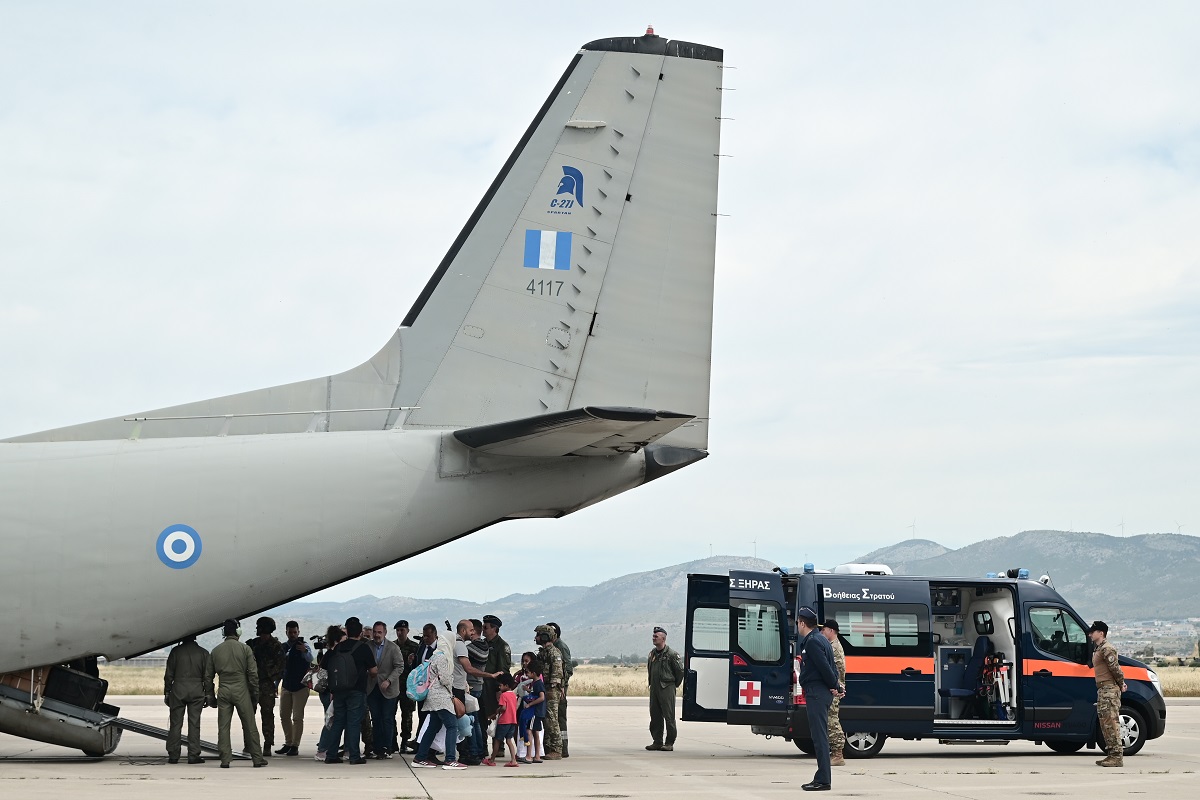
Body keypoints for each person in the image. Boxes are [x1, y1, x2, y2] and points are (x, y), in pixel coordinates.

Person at [207, 618, 267, 768]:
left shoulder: (216, 651)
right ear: (238, 631)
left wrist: (210, 696)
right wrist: (254, 695)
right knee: (249, 725)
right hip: (241, 689)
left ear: (224, 632)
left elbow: (208, 677)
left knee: (223, 726)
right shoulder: (245, 649)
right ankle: (257, 758)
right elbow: (253, 675)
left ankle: (225, 759)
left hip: (224, 689)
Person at [797, 607, 843, 791]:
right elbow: (831, 667)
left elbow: (825, 668)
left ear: (802, 623)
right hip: (820, 692)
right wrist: (835, 685)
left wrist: (836, 686)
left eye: (798, 623)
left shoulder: (813, 642)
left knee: (819, 738)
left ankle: (823, 780)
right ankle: (821, 777)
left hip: (817, 692)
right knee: (820, 737)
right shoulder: (821, 639)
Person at [324, 617, 378, 765]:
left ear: (346, 631)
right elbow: (373, 670)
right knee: (354, 723)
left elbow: (326, 665)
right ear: (360, 632)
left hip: (339, 690)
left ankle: (331, 754)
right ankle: (354, 756)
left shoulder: (338, 648)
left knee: (338, 722)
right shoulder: (363, 647)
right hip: (357, 690)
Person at [413, 630, 467, 770]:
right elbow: (445, 679)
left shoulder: (434, 655)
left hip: (432, 697)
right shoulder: (443, 657)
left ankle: (420, 757)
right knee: (452, 725)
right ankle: (450, 759)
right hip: (441, 697)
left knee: (433, 727)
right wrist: (452, 687)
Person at [163, 634, 214, 764]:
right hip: (197, 689)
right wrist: (208, 693)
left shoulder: (175, 652)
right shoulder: (203, 653)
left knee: (175, 724)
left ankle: (173, 755)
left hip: (178, 689)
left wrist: (167, 692)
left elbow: (169, 674)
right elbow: (208, 677)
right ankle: (193, 754)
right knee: (194, 724)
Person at [1089, 620, 1126, 767]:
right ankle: (1111, 754)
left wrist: (1121, 683)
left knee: (1111, 722)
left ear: (1101, 633)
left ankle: (1116, 756)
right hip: (1103, 689)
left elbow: (1115, 668)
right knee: (1105, 723)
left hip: (1110, 690)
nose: (1091, 634)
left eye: (1094, 631)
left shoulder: (1107, 649)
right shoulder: (1099, 649)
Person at [366, 620, 404, 759]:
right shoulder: (367, 646)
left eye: (379, 632)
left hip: (388, 689)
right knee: (376, 719)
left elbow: (399, 666)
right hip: (372, 688)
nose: (376, 635)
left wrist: (389, 680)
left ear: (385, 633)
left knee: (387, 718)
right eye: (375, 632)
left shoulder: (393, 648)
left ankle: (388, 747)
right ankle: (377, 748)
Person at [248, 616, 285, 756]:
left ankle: (268, 744)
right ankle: (249, 744)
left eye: (259, 627)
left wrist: (267, 675)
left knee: (267, 716)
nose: (258, 630)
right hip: (252, 684)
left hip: (267, 685)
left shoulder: (276, 646)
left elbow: (280, 667)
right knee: (249, 715)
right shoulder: (252, 644)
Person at [645, 626, 684, 752]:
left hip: (667, 688)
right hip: (655, 688)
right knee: (655, 715)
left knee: (669, 716)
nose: (653, 638)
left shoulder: (672, 654)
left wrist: (673, 685)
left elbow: (680, 672)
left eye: (656, 636)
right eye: (653, 636)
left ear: (663, 638)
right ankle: (657, 741)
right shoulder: (652, 654)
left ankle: (669, 742)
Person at [276, 620, 312, 756]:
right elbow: (280, 667)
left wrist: (304, 651)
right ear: (286, 632)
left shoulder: (304, 646)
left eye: (295, 632)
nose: (292, 635)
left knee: (297, 717)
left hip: (300, 687)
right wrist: (276, 684)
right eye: (290, 632)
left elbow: (310, 658)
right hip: (286, 685)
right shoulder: (283, 647)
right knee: (284, 715)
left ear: (298, 632)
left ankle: (295, 745)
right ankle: (288, 742)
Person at [480, 614, 511, 757]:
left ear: (494, 629)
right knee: (483, 716)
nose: (483, 629)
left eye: (486, 627)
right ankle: (483, 747)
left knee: (495, 716)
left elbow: (503, 669)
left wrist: (500, 689)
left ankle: (499, 748)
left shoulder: (501, 646)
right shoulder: (483, 644)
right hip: (483, 685)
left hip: (494, 686)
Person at [535, 625, 564, 759]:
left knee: (552, 719)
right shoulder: (543, 653)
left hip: (551, 689)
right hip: (544, 688)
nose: (536, 638)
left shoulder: (554, 652)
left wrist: (552, 688)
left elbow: (557, 672)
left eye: (539, 635)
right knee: (546, 719)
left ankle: (556, 749)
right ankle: (547, 747)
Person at [821, 619, 847, 766]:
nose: (822, 632)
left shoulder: (834, 648)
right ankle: (834, 752)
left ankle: (838, 754)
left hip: (834, 689)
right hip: (832, 688)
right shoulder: (830, 646)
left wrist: (837, 687)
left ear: (831, 631)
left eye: (824, 630)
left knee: (832, 720)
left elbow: (839, 670)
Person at [393, 620, 419, 753]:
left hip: (408, 687)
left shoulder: (415, 647)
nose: (399, 632)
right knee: (390, 714)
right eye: (397, 630)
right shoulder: (391, 646)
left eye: (402, 630)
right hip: (394, 685)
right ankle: (393, 741)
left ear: (407, 631)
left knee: (407, 715)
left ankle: (404, 741)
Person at [548, 622, 574, 757]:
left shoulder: (560, 648)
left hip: (559, 690)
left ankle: (563, 749)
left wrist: (561, 686)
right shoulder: (551, 648)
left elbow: (568, 669)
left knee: (560, 718)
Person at [517, 652, 546, 763]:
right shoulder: (536, 683)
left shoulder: (537, 683)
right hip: (538, 712)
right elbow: (535, 693)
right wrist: (527, 689)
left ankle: (529, 755)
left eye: (528, 673)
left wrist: (530, 704)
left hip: (534, 712)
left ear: (533, 673)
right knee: (536, 732)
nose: (527, 674)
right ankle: (537, 755)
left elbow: (541, 697)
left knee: (529, 731)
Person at [495, 673, 520, 767]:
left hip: (504, 721)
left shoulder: (503, 695)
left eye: (500, 685)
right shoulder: (513, 695)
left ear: (506, 685)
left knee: (497, 740)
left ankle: (492, 759)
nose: (499, 687)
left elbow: (504, 708)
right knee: (509, 740)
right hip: (513, 721)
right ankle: (513, 760)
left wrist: (498, 710)